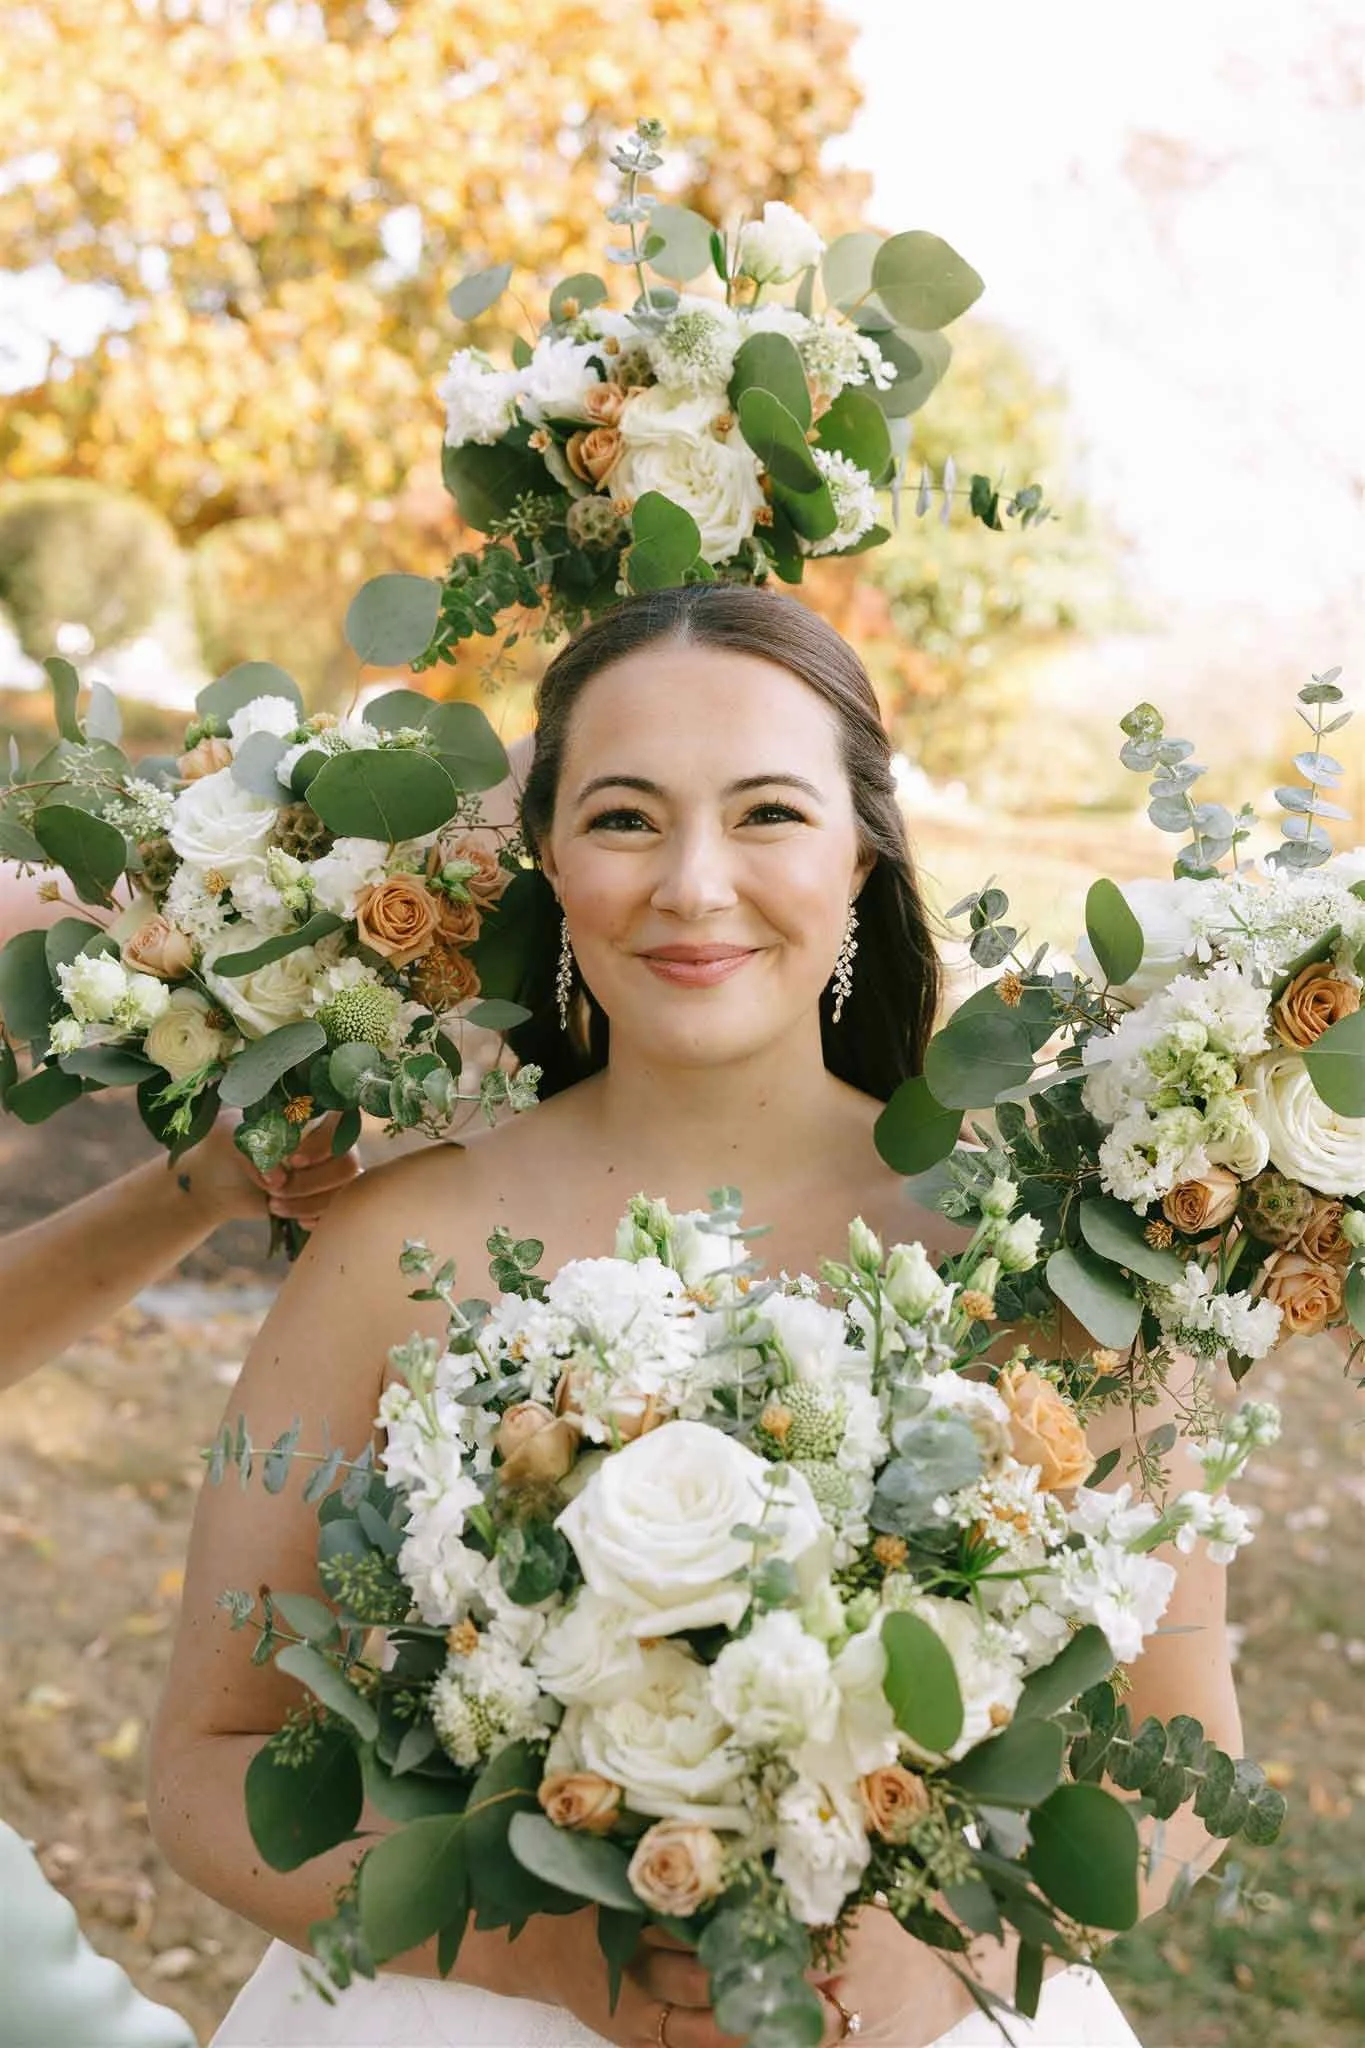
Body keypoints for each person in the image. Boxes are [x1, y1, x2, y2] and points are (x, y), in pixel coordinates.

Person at [150, 585, 1241, 2048]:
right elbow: (207, 1766)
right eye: (624, 818)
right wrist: (535, 1955)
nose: (695, 884)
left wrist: (951, 1946)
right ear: (551, 857)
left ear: (863, 854)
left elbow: (1185, 1761)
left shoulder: (1035, 1259)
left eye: (770, 814)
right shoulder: (391, 1247)